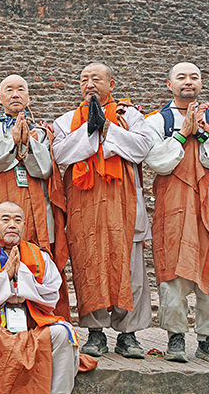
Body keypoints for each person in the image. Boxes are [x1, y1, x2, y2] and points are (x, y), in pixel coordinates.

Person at [144, 62, 209, 364]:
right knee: (173, 279)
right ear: (169, 84)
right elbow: (157, 161)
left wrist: (199, 135)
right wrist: (179, 135)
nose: (188, 82)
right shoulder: (157, 122)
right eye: (181, 77)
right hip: (174, 213)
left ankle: (208, 340)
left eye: (194, 77)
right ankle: (175, 338)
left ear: (200, 83)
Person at [52, 62, 153, 359]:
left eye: (97, 78)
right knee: (89, 267)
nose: (90, 84)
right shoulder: (68, 120)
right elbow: (60, 154)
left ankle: (128, 334)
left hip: (124, 204)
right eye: (84, 79)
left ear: (111, 85)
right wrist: (90, 130)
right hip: (85, 206)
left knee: (130, 269)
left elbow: (143, 147)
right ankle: (95, 334)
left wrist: (108, 129)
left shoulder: (129, 115)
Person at [0, 201, 87, 394]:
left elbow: (51, 294)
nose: (12, 225)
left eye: (18, 220)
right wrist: (6, 277)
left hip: (32, 321)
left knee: (63, 332)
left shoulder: (39, 256)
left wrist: (22, 276)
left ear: (24, 225)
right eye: (6, 219)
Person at [0, 74, 71, 319]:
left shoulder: (41, 133)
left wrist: (27, 143)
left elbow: (45, 168)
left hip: (34, 208)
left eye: (21, 90)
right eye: (9, 90)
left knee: (36, 257)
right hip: (0, 203)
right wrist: (11, 143)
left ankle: (40, 317)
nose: (15, 94)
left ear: (28, 97)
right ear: (0, 97)